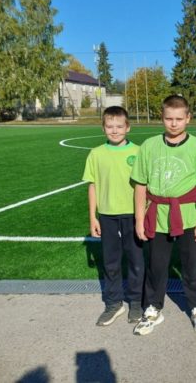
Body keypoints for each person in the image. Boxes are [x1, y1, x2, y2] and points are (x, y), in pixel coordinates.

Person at [131, 94, 196, 336]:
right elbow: (140, 185)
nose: (174, 123)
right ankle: (153, 307)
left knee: (193, 265)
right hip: (157, 216)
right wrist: (139, 220)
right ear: (162, 118)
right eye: (169, 118)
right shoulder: (149, 146)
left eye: (179, 118)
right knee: (156, 265)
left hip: (188, 216)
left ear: (188, 118)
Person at [82, 106, 144, 326]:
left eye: (119, 126)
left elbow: (144, 186)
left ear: (128, 127)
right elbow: (92, 186)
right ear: (103, 128)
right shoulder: (96, 154)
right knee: (110, 262)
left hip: (133, 215)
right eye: (110, 126)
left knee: (136, 261)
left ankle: (136, 302)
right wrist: (93, 217)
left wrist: (142, 215)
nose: (115, 131)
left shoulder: (138, 152)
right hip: (107, 216)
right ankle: (114, 303)